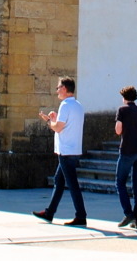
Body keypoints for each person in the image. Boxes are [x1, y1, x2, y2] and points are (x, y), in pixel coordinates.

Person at [33, 77, 88, 226]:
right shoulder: (78, 105)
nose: (57, 90)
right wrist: (55, 119)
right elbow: (65, 124)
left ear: (64, 89)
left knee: (72, 184)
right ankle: (49, 212)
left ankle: (81, 216)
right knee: (59, 181)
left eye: (58, 88)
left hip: (66, 150)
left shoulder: (65, 105)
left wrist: (48, 121)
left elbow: (58, 128)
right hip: (73, 149)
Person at [113, 85, 137, 229]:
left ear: (124, 97)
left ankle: (129, 213)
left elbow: (118, 130)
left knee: (120, 182)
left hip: (127, 150)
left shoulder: (122, 110)